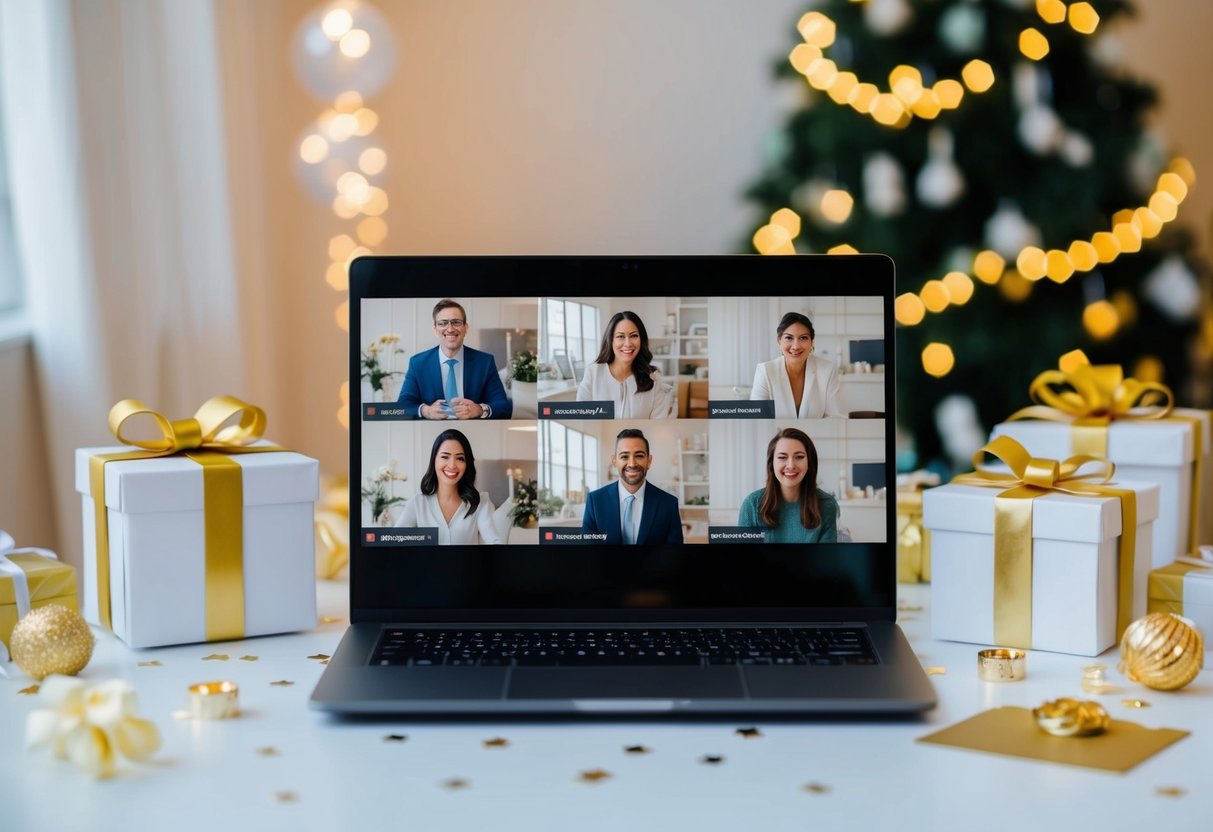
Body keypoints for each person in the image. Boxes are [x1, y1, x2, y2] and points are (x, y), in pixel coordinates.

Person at [397, 299, 513, 419]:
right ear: (435, 329)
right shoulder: (418, 363)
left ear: (465, 328)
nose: (450, 329)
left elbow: (503, 406)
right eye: (443, 323)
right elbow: (403, 405)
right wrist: (427, 411)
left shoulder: (484, 362)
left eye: (456, 322)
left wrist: (479, 409)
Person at [395, 429, 502, 545]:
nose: (452, 465)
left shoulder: (480, 502)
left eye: (460, 458)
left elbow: (494, 542)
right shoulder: (418, 503)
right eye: (445, 457)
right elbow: (395, 542)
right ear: (434, 460)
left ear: (467, 464)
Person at [581, 428, 683, 545]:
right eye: (624, 456)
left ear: (649, 461)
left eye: (639, 456)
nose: (632, 464)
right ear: (614, 461)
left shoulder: (669, 504)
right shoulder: (595, 501)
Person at [738, 427, 839, 543]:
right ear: (772, 464)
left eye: (799, 457)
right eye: (782, 457)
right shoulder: (751, 505)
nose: (790, 465)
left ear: (809, 463)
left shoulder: (826, 505)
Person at [576, 311, 673, 419]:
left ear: (641, 340)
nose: (628, 344)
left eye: (634, 336)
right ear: (611, 340)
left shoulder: (653, 379)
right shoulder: (593, 374)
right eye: (620, 336)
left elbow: (658, 426)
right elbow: (583, 420)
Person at [750, 312, 844, 418]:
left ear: (812, 342)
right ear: (779, 341)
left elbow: (836, 417)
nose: (796, 346)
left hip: (816, 434)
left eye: (803, 338)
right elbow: (757, 418)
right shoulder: (765, 371)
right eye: (789, 338)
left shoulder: (827, 370)